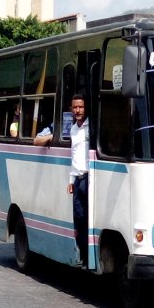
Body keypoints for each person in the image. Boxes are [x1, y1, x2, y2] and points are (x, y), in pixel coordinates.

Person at [67, 94, 89, 266]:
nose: (78, 110)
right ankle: (82, 253)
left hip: (89, 178)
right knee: (78, 217)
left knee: (88, 217)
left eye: (80, 107)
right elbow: (73, 156)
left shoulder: (91, 128)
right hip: (77, 179)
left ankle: (89, 255)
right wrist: (70, 180)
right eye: (75, 107)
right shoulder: (73, 129)